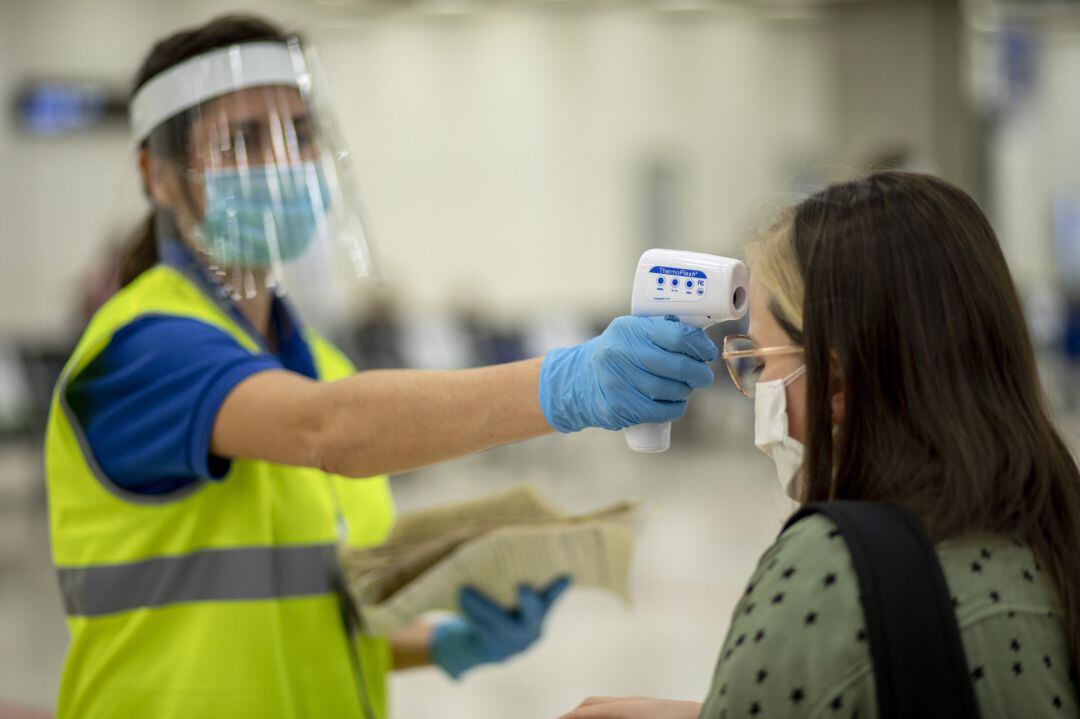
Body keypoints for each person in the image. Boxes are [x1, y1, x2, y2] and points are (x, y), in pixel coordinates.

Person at [43, 15, 719, 719]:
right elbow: (328, 432)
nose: (283, 163)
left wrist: (444, 641)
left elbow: (302, 609)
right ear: (158, 175)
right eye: (244, 140)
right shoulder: (144, 346)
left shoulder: (317, 361)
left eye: (300, 134)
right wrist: (567, 384)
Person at [559, 171, 1080, 718]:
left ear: (834, 385)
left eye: (759, 362)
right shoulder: (1051, 529)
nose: (756, 388)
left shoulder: (835, 574)